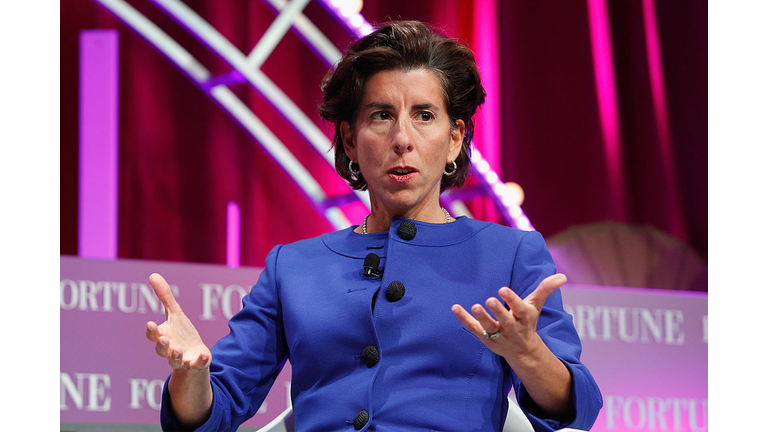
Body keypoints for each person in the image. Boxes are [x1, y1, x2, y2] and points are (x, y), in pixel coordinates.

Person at [146, 20, 602, 431]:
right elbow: (213, 411)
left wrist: (529, 354)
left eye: (424, 116)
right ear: (350, 137)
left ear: (454, 139)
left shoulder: (511, 255)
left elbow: (575, 409)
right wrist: (191, 375)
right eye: (382, 115)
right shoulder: (294, 266)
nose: (402, 139)